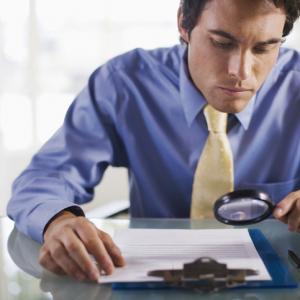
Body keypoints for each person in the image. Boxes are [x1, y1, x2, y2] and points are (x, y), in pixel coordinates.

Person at [7, 0, 300, 283]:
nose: (242, 72)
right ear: (183, 23)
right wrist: (59, 220)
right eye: (222, 43)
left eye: (264, 47)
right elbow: (45, 178)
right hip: (151, 283)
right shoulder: (123, 84)